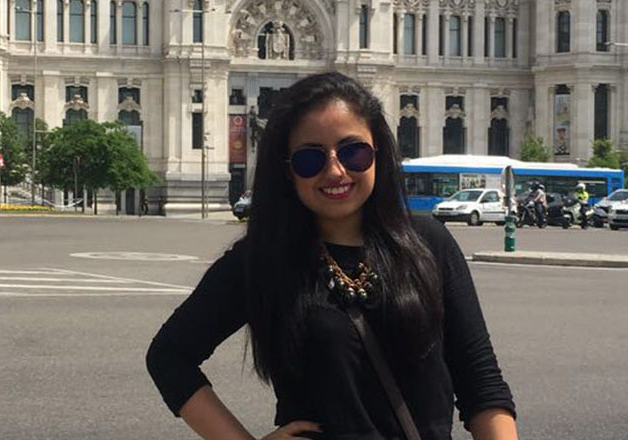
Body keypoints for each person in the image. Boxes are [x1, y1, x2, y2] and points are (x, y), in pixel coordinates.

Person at [147, 72, 517, 440]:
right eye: (310, 159)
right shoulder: (262, 259)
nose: (335, 170)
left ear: (379, 154)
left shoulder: (427, 242)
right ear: (287, 169)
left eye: (353, 152)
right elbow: (169, 356)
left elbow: (481, 383)